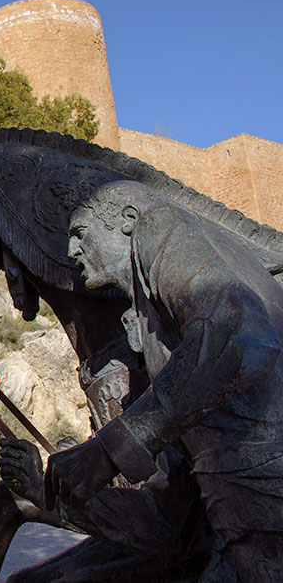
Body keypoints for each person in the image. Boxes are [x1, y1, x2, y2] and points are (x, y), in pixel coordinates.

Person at [45, 180, 283, 581]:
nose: (71, 252)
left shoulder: (159, 225)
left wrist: (110, 449)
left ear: (127, 220)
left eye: (80, 233)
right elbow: (168, 521)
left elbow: (240, 334)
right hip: (243, 522)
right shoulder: (153, 308)